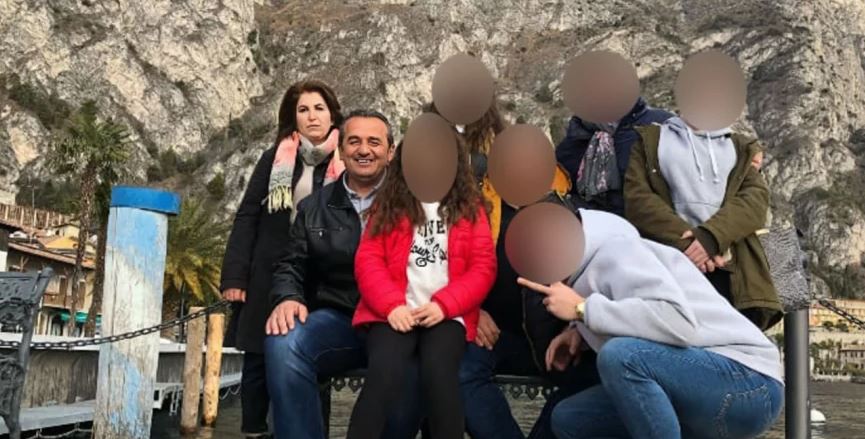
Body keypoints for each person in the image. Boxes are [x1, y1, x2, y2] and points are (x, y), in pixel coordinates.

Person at [517, 207, 784, 439]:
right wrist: (580, 331)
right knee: (569, 418)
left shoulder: (620, 250)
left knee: (620, 356)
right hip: (705, 387)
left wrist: (582, 310)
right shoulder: (587, 273)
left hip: (750, 384)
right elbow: (640, 320)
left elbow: (679, 323)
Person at [438, 100, 597, 439]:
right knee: (455, 372)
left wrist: (578, 330)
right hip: (494, 330)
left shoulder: (572, 215)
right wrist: (469, 310)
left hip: (559, 336)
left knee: (597, 378)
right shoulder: (475, 208)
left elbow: (598, 281)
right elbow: (444, 264)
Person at [263, 110, 418, 439]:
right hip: (338, 318)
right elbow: (291, 263)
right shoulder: (313, 207)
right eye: (354, 141)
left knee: (410, 372)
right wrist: (288, 297)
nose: (364, 150)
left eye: (374, 142)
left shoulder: (416, 205)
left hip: (399, 321)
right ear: (341, 150)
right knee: (284, 342)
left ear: (391, 151)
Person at [345, 135, 496, 439]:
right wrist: (392, 306)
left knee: (440, 373)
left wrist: (445, 305)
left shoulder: (470, 208)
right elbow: (368, 260)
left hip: (446, 314)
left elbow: (483, 268)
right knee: (384, 372)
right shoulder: (389, 204)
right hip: (393, 313)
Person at [220, 79, 344, 438]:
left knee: (314, 363)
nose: (312, 116)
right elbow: (247, 216)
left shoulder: (346, 163)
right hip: (267, 274)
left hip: (320, 279)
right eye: (303, 110)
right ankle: (254, 431)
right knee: (258, 359)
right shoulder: (274, 158)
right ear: (294, 117)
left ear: (332, 115)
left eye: (319, 108)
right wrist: (235, 277)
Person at [623, 117, 783, 330]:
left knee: (729, 344)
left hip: (730, 273)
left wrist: (711, 237)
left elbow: (755, 201)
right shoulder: (650, 140)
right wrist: (692, 245)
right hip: (670, 269)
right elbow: (638, 201)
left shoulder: (741, 147)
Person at [556, 97, 673, 217]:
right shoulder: (571, 146)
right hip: (606, 224)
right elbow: (566, 196)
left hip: (661, 219)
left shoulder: (663, 125)